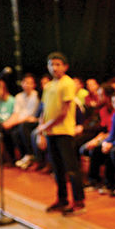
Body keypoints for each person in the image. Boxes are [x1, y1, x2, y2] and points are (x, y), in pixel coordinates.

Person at [35, 52, 85, 215]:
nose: (54, 67)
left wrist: (45, 127)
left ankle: (78, 201)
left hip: (64, 131)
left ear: (65, 67)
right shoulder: (49, 86)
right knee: (57, 168)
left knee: (71, 168)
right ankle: (62, 199)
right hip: (50, 133)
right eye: (51, 64)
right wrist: (41, 131)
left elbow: (63, 111)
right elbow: (43, 110)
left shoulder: (67, 83)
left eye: (58, 64)